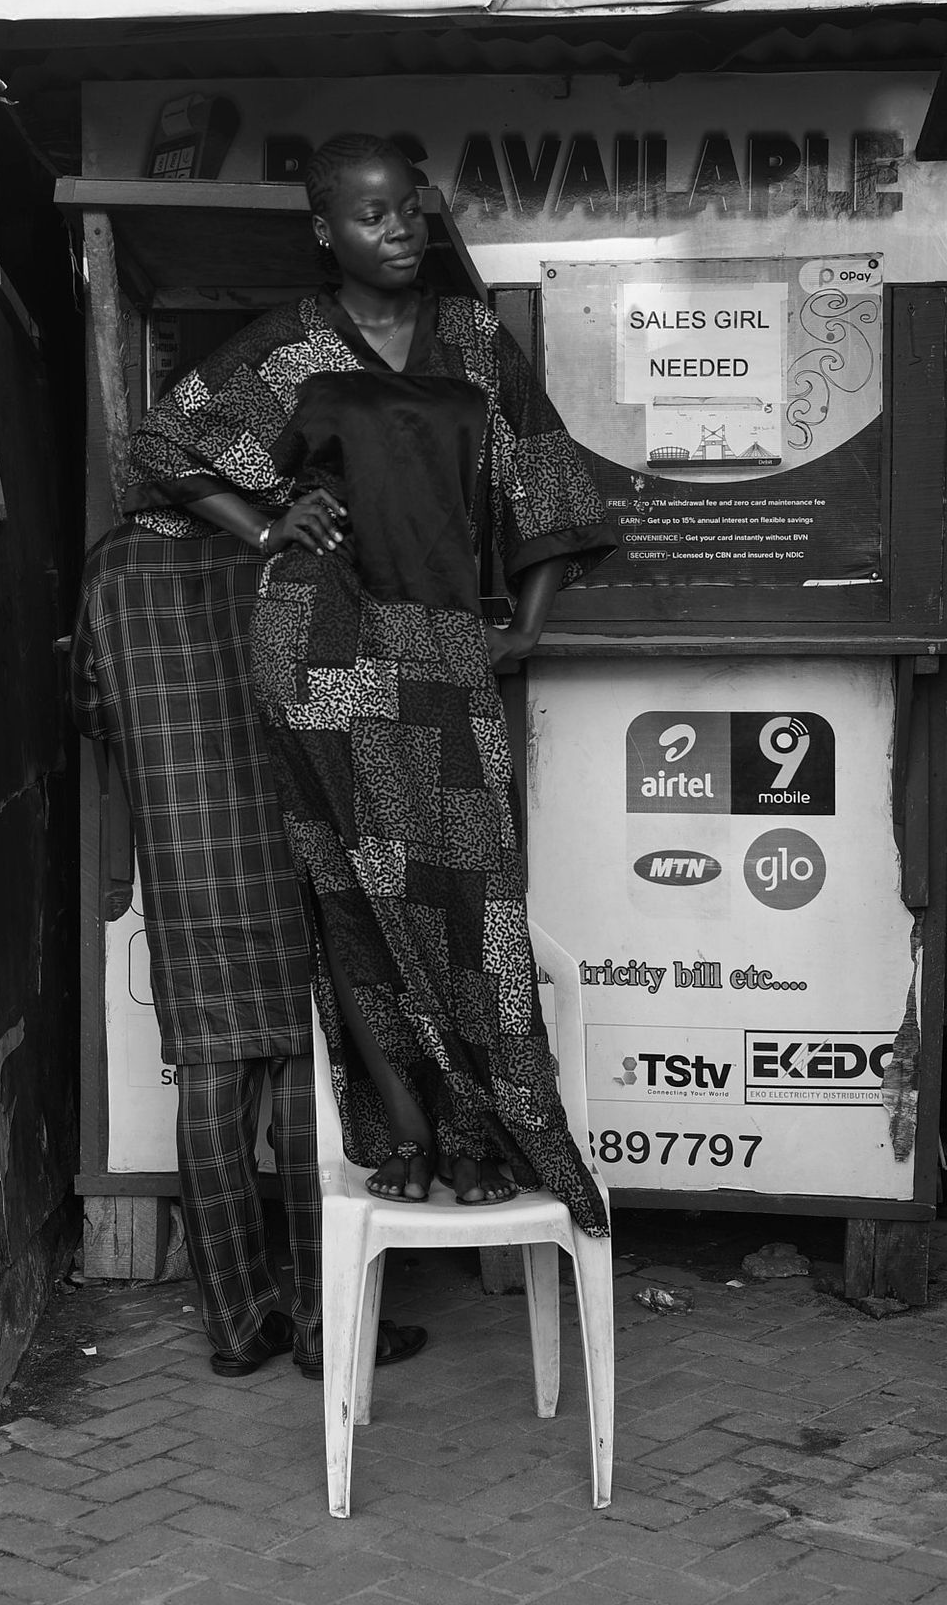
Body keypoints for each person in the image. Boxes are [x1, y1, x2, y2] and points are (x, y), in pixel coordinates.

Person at [124, 132, 615, 1235]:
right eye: (370, 215)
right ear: (326, 230)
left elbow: (543, 472)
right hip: (323, 646)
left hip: (444, 644)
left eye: (408, 211)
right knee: (355, 891)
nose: (397, 232)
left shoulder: (472, 341)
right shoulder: (294, 349)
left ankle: (489, 1130)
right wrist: (263, 524)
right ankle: (402, 1130)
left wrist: (524, 631)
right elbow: (160, 437)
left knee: (473, 897)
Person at [71, 508, 426, 1379]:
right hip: (290, 832)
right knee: (307, 1075)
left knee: (210, 1073)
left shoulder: (114, 561)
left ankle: (236, 1326)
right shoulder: (290, 548)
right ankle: (325, 1319)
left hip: (184, 843)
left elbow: (88, 703)